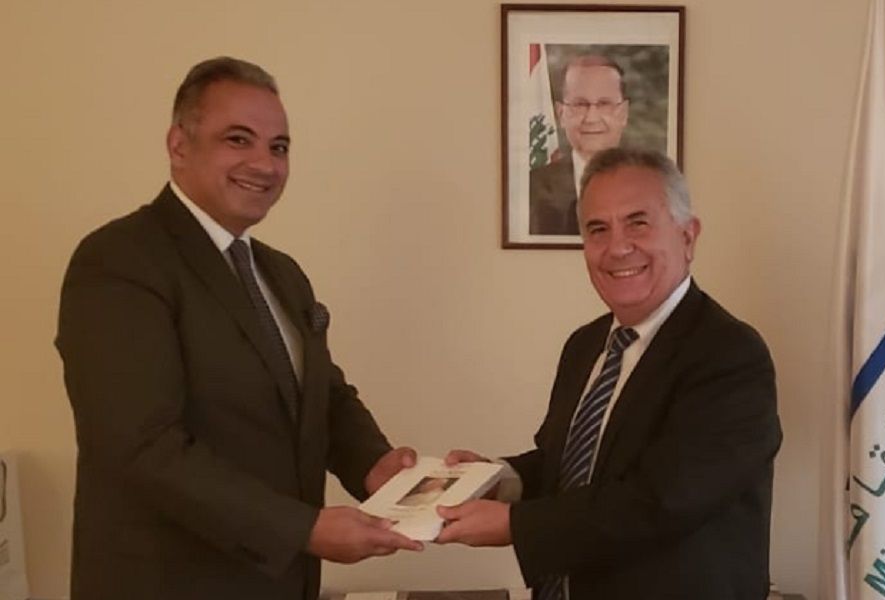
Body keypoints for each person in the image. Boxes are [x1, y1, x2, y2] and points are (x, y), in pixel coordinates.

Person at [55, 57, 422, 600]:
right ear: (179, 145)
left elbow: (322, 396)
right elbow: (142, 447)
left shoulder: (282, 273)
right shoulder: (120, 260)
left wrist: (375, 466)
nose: (264, 164)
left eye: (279, 147)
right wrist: (303, 529)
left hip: (280, 582)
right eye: (238, 139)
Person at [439, 148, 782, 599]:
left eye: (638, 223)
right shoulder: (584, 346)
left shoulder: (730, 355)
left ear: (687, 236)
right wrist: (499, 480)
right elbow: (568, 467)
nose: (617, 247)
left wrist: (515, 525)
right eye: (598, 229)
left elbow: (661, 500)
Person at [529, 55, 629, 236]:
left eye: (604, 104)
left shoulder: (652, 186)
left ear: (623, 113)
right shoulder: (531, 189)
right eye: (580, 104)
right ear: (561, 114)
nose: (591, 118)